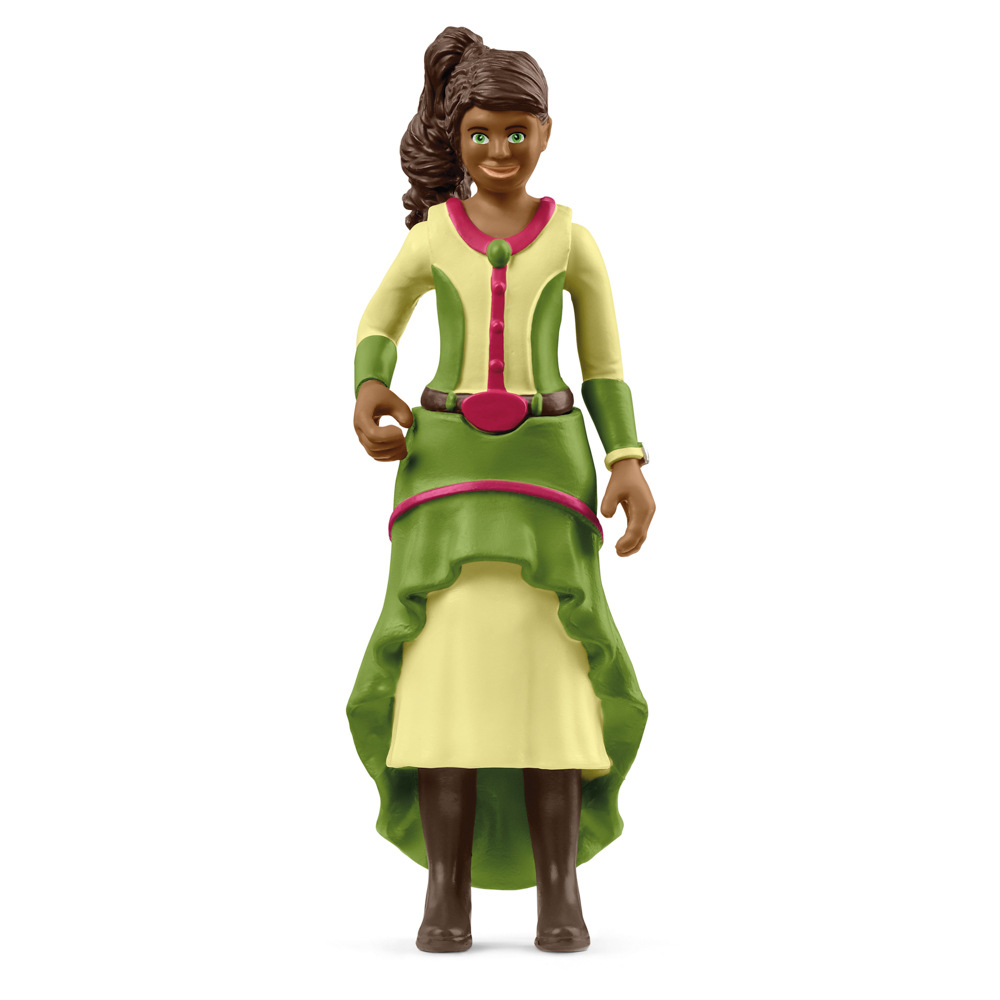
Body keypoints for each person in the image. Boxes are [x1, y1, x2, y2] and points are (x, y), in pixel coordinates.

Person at [347, 26, 655, 953]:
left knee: (551, 676)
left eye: (518, 132)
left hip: (546, 474)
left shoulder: (572, 241)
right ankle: (446, 888)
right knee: (443, 674)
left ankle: (561, 887)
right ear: (457, 133)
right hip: (446, 473)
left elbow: (603, 366)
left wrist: (627, 458)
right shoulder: (433, 236)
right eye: (481, 132)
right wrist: (369, 386)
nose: (499, 150)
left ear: (547, 133)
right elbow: (379, 320)